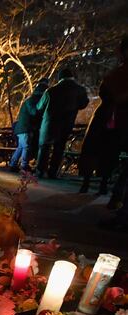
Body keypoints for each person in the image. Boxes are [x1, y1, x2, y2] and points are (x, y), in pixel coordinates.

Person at [81, 36, 128, 203]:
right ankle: (105, 186)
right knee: (107, 152)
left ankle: (91, 182)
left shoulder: (114, 75)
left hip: (108, 117)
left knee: (95, 149)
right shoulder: (117, 74)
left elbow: (105, 92)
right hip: (115, 119)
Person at [35, 68, 89, 179]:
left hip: (49, 124)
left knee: (44, 147)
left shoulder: (50, 91)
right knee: (59, 148)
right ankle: (52, 172)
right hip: (66, 124)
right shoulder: (80, 90)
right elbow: (83, 104)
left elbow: (39, 107)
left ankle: (40, 171)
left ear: (60, 78)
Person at [10, 79, 48, 172]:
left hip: (21, 128)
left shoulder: (29, 100)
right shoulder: (32, 101)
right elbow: (34, 112)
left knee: (21, 147)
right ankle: (24, 165)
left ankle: (13, 164)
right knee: (26, 147)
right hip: (25, 128)